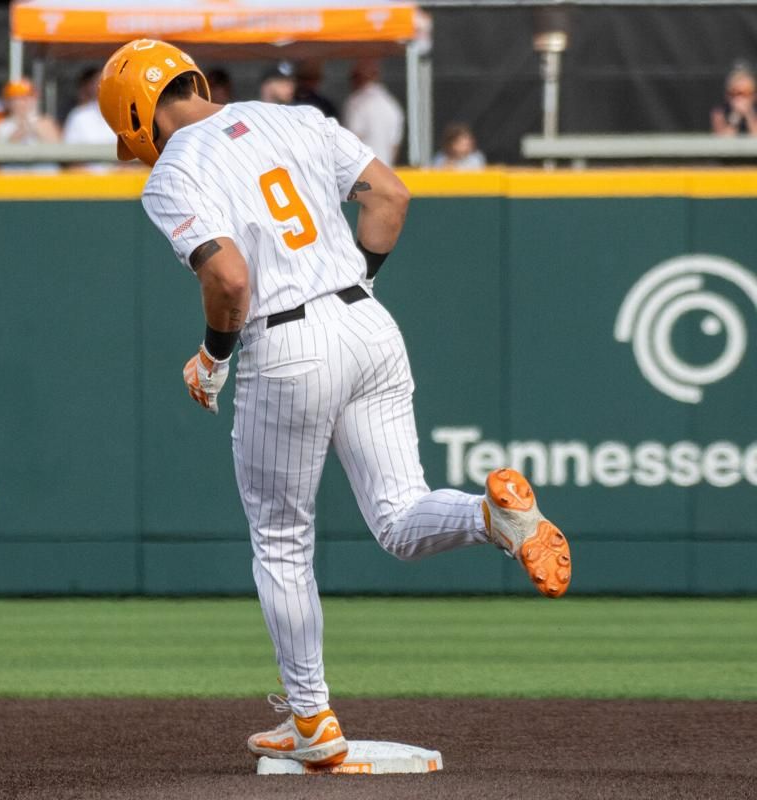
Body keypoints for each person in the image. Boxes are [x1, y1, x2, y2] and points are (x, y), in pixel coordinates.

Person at [98, 39, 572, 770]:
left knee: (281, 541)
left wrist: (211, 359)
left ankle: (312, 719)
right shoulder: (295, 116)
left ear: (134, 116)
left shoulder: (173, 170)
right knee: (400, 516)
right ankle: (494, 517)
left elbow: (227, 279)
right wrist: (357, 287)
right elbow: (390, 195)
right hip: (367, 318)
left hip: (286, 341)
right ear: (191, 77)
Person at [343, 58, 404, 165]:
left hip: (361, 171)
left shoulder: (356, 102)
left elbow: (352, 140)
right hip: (385, 169)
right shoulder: (392, 105)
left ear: (358, 78)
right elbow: (395, 145)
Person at [0, 79, 60, 144]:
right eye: (17, 98)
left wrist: (31, 128)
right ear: (7, 101)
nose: (22, 102)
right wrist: (12, 139)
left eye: (26, 97)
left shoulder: (45, 122)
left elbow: (57, 147)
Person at [63, 67, 115, 145]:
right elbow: (70, 151)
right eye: (97, 82)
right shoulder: (78, 115)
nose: (101, 85)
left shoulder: (124, 113)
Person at [711, 63, 757, 137]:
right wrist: (736, 116)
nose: (741, 98)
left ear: (754, 95)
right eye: (735, 93)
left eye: (746, 93)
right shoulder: (719, 112)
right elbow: (722, 141)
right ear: (728, 95)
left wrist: (749, 115)